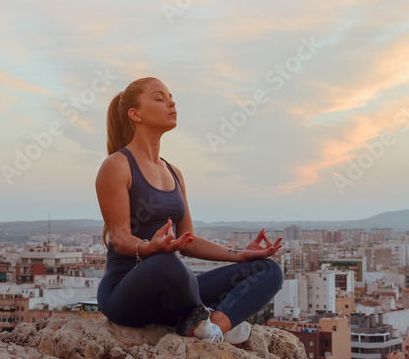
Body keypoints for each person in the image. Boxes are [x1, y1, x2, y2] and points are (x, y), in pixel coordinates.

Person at [95, 76, 284, 344]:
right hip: (127, 290)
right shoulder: (117, 166)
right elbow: (120, 238)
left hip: (174, 284)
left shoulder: (175, 173)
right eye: (159, 98)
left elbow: (188, 241)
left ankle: (213, 326)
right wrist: (152, 248)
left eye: (171, 97)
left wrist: (239, 256)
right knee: (165, 263)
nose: (171, 102)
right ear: (135, 114)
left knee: (268, 270)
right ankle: (198, 316)